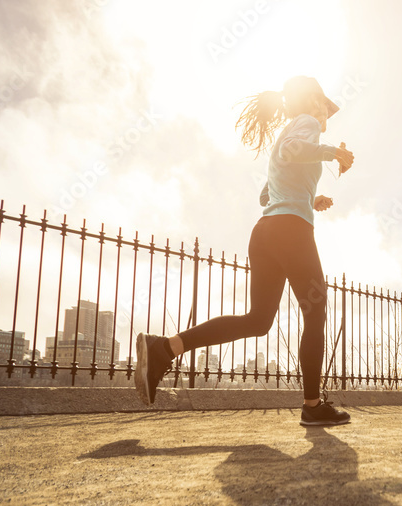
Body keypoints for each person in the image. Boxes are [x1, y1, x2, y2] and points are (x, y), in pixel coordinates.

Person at [134, 76, 355, 426]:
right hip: (291, 233)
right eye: (326, 107)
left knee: (258, 320)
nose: (327, 116)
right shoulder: (307, 124)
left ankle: (164, 349)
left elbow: (267, 195)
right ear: (313, 102)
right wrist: (334, 152)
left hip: (266, 233)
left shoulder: (288, 131)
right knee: (315, 311)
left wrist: (310, 200)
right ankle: (313, 405)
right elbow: (294, 154)